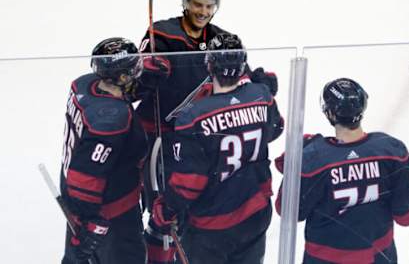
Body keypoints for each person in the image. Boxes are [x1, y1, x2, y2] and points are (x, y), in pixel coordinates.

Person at [145, 33, 284, 264]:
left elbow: (189, 182)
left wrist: (168, 208)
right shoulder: (261, 95)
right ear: (242, 67)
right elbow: (275, 130)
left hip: (212, 225)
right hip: (256, 213)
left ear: (209, 65)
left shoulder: (193, 117)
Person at [275, 78, 409, 264]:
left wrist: (295, 160)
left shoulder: (314, 160)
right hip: (379, 258)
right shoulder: (391, 151)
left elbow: (287, 209)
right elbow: (407, 215)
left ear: (330, 114)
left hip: (324, 259)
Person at [60, 37, 148, 264]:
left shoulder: (84, 84)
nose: (139, 70)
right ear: (121, 76)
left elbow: (111, 100)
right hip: (110, 213)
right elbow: (86, 176)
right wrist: (88, 223)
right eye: (133, 68)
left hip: (77, 203)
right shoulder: (111, 121)